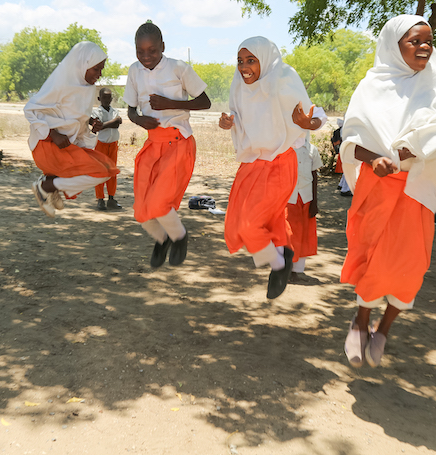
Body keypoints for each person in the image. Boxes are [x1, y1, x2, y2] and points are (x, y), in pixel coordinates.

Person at [339, 15, 436, 368]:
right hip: (378, 185)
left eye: (429, 41)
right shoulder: (371, 86)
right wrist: (378, 158)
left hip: (417, 189)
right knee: (373, 256)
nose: (425, 47)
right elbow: (351, 139)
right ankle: (361, 320)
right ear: (394, 46)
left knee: (411, 264)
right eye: (415, 41)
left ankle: (385, 328)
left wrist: (419, 149)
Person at [220, 36, 326, 299]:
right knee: (238, 225)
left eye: (251, 61)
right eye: (240, 61)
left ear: (265, 60)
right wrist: (229, 122)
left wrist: (307, 122)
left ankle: (280, 265)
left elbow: (318, 115)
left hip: (280, 163)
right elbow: (239, 119)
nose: (244, 67)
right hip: (251, 164)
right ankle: (285, 251)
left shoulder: (283, 79)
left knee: (250, 225)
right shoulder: (240, 87)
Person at [124, 21, 211, 267]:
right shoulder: (134, 71)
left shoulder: (179, 68)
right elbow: (130, 110)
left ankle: (180, 237)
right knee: (141, 211)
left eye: (152, 50)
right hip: (153, 144)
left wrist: (169, 104)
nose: (146, 57)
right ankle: (162, 239)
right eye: (140, 52)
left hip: (178, 142)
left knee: (159, 203)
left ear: (163, 46)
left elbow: (204, 102)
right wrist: (139, 120)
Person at [24, 41, 119, 218]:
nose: (99, 74)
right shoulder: (61, 84)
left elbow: (74, 114)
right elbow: (30, 110)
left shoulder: (87, 87)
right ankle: (47, 186)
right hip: (48, 144)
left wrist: (91, 121)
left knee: (106, 170)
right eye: (96, 69)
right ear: (83, 64)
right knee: (100, 172)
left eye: (101, 69)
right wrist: (54, 134)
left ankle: (50, 184)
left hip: (67, 145)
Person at [286, 139, 323, 282]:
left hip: (306, 198)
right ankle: (285, 269)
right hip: (288, 198)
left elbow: (314, 176)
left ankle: (296, 270)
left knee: (304, 234)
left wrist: (314, 202)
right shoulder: (284, 149)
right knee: (288, 234)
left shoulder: (312, 150)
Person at [90, 88, 123, 211]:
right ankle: (100, 199)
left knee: (112, 172)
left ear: (112, 99)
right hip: (101, 145)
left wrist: (103, 125)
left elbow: (117, 123)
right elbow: (98, 125)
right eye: (104, 98)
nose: (107, 100)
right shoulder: (96, 112)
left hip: (113, 145)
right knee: (100, 172)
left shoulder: (115, 111)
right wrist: (112, 122)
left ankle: (111, 198)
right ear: (99, 99)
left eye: (109, 98)